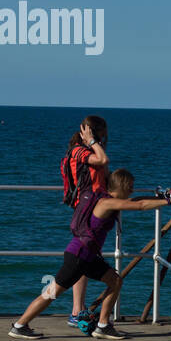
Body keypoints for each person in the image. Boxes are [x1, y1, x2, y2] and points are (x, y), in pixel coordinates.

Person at [10, 169, 171, 340]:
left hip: (87, 257)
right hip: (79, 257)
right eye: (130, 187)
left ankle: (103, 326)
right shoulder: (105, 203)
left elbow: (136, 201)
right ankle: (20, 325)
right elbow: (140, 205)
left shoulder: (108, 200)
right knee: (51, 293)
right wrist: (168, 201)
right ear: (121, 186)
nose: (132, 190)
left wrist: (161, 197)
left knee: (115, 281)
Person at [63, 116, 109, 327]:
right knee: (81, 258)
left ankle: (78, 309)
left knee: (84, 258)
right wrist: (91, 141)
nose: (105, 137)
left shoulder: (84, 151)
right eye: (102, 133)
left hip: (90, 210)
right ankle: (76, 310)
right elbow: (102, 161)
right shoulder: (80, 151)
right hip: (85, 213)